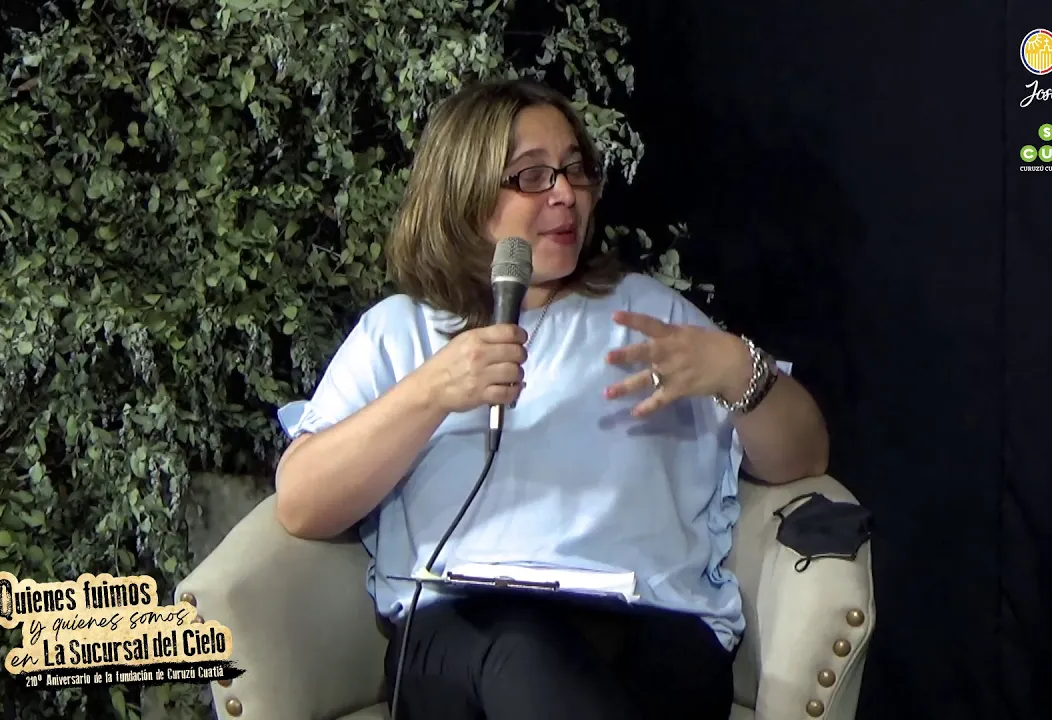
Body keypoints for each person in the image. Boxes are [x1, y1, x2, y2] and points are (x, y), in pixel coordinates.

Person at [273, 78, 829, 720]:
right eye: (532, 176)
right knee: (523, 650)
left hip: (650, 625)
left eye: (575, 170)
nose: (566, 194)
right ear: (464, 193)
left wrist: (739, 370)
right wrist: (430, 392)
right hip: (467, 632)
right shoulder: (401, 330)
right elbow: (303, 504)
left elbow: (805, 456)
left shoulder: (647, 314)